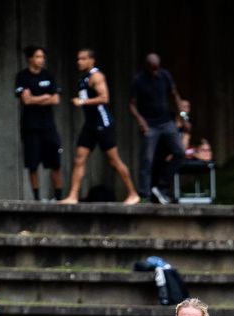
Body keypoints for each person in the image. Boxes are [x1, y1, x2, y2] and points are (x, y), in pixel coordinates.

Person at [62, 48, 141, 206]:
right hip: (90, 125)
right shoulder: (83, 78)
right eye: (78, 59)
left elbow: (104, 98)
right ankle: (73, 196)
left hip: (103, 124)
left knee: (114, 160)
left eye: (83, 59)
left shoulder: (96, 76)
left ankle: (133, 194)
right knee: (79, 158)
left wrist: (83, 102)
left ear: (92, 60)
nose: (80, 62)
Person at [129, 52, 183, 204]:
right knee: (147, 159)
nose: (155, 72)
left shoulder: (165, 75)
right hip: (150, 125)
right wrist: (141, 122)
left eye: (156, 69)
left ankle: (162, 188)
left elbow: (174, 94)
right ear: (146, 67)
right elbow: (132, 105)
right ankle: (144, 194)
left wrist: (182, 116)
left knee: (179, 152)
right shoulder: (138, 80)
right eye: (152, 69)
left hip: (166, 122)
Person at [15, 46, 65, 202]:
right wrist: (45, 97)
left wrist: (36, 98)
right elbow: (26, 100)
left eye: (43, 57)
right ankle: (37, 198)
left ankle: (58, 197)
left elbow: (56, 99)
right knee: (32, 164)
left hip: (48, 126)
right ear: (30, 59)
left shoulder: (48, 75)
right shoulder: (22, 77)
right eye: (38, 57)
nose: (41, 60)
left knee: (55, 163)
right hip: (31, 127)